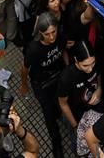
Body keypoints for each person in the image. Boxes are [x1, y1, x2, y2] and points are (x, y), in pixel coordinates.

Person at [20, 12, 66, 157]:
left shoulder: (60, 37)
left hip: (57, 76)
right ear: (40, 33)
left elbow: (63, 51)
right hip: (41, 83)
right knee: (48, 113)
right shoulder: (34, 49)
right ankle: (56, 141)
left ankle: (58, 112)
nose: (51, 37)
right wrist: (24, 85)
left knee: (58, 102)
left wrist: (67, 68)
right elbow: (24, 68)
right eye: (47, 34)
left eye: (54, 32)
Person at [57, 41, 102, 134]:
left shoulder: (96, 63)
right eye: (85, 65)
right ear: (76, 60)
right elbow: (63, 103)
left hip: (94, 107)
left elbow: (98, 75)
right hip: (77, 112)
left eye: (93, 63)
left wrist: (99, 89)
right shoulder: (66, 77)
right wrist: (75, 126)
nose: (90, 69)